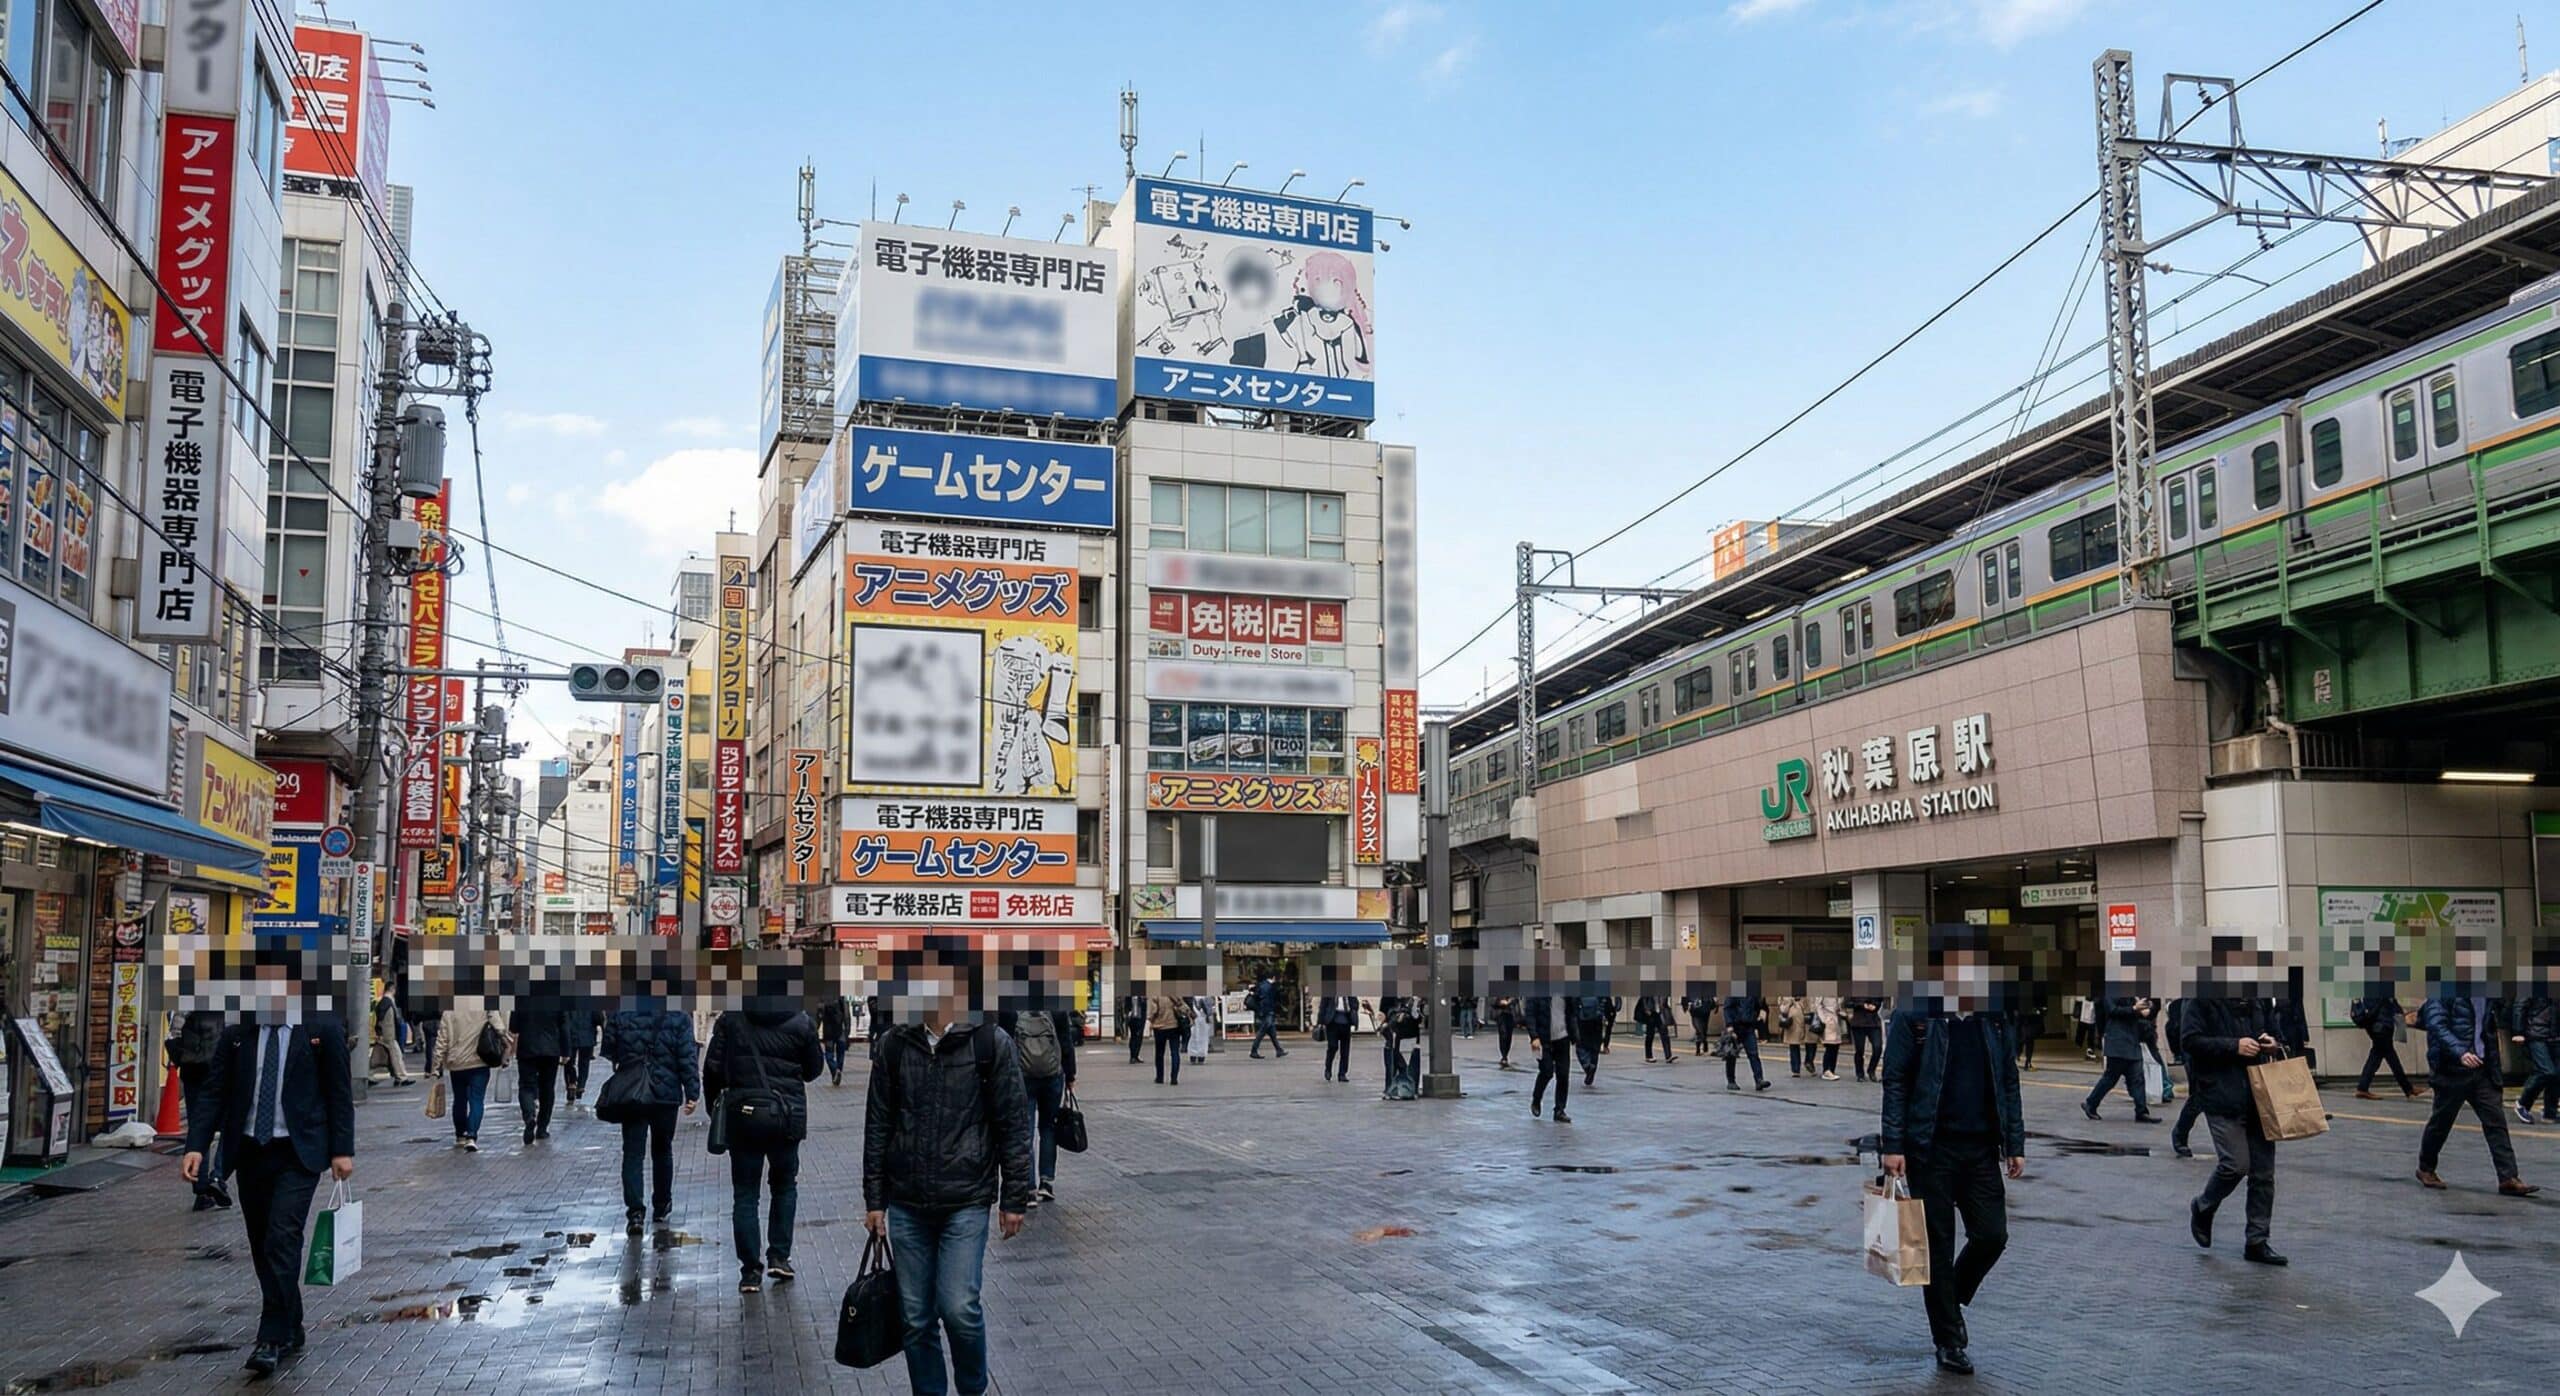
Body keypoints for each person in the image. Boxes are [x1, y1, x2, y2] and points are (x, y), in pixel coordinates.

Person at [863, 1003, 1033, 1396]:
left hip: (966, 1199)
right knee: (916, 1317)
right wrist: (875, 1199)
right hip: (907, 1200)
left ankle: (973, 1388)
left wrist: (1014, 1198)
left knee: (959, 1308)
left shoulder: (990, 1042)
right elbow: (878, 1125)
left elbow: (1013, 1124)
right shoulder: (894, 1044)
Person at [180, 1013, 355, 1377]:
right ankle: (291, 1320)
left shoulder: (321, 1029)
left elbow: (339, 1092)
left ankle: (270, 1337)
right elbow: (215, 1092)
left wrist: (342, 1150)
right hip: (250, 1152)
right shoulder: (238, 1035)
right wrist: (196, 1146)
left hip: (299, 1152)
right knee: (261, 1242)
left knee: (281, 1238)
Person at [1879, 992, 2025, 1377]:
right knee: (1938, 1246)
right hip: (1930, 1150)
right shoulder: (1915, 1015)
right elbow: (1895, 1080)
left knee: (1992, 1235)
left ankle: (1951, 1295)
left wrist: (2015, 1143)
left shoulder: (1993, 1016)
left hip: (1980, 1149)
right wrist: (1893, 1144)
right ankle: (1949, 1341)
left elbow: (2008, 1079)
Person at [705, 1004, 823, 1293]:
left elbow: (713, 1067)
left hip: (743, 1116)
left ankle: (749, 1271)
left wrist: (715, 1108)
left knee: (745, 1194)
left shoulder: (731, 1018)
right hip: (786, 1116)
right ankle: (779, 1256)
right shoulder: (801, 1020)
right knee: (784, 1185)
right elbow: (813, 1070)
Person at [2181, 993, 2287, 1264]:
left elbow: (2276, 1033)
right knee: (2235, 1164)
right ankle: (2203, 1206)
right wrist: (2233, 1046)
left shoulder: (2258, 999)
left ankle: (2257, 1240)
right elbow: (2190, 1041)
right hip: (2220, 1093)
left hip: (2259, 1096)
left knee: (2263, 1173)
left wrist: (2272, 1043)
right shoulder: (2200, 998)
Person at [2414, 992, 2540, 1196]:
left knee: (2496, 1122)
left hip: (2482, 1069)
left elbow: (2491, 1026)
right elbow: (2437, 1025)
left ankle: (2508, 1177)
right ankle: (2425, 1167)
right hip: (2452, 1069)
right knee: (2441, 1121)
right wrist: (2460, 1052)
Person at [601, 998, 702, 1232]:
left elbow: (609, 1047)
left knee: (633, 1152)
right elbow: (686, 1056)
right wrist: (692, 1091)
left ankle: (635, 1212)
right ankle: (662, 1204)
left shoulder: (622, 1010)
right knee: (662, 1149)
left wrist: (627, 1060)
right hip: (665, 1093)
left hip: (633, 1091)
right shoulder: (678, 1014)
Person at [996, 1002, 1076, 1204]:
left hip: (1022, 1077)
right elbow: (1066, 1041)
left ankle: (1028, 1188)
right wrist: (1071, 1074)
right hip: (1052, 1076)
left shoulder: (1009, 1009)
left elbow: (1002, 1043)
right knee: (1048, 1128)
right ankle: (1046, 1183)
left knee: (1025, 1131)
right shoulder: (1057, 1007)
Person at [169, 1008, 232, 1210]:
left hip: (194, 1067)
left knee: (199, 1124)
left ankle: (202, 1187)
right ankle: (218, 1176)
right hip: (222, 1068)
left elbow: (174, 1030)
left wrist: (181, 1056)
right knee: (231, 1125)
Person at [435, 1001, 512, 1151]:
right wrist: (506, 1043)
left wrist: (436, 1064)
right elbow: (499, 1026)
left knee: (459, 1099)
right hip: (479, 1061)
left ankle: (460, 1135)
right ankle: (471, 1135)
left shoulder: (449, 1009)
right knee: (476, 1099)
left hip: (456, 1063)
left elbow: (442, 1040)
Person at [2081, 996, 2159, 1122]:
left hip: (2132, 1040)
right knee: (2110, 1078)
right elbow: (2113, 1010)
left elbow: (2147, 1009)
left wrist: (2147, 1007)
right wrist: (2134, 1008)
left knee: (2138, 1078)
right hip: (2117, 1040)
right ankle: (2091, 1103)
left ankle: (2141, 1111)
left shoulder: (2134, 993)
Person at [510, 996, 568, 1145]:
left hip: (527, 1049)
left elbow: (513, 1027)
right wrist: (566, 1050)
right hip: (551, 1050)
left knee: (526, 1086)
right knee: (547, 1089)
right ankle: (542, 1127)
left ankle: (529, 1116)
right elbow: (563, 1024)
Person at [2351, 992, 2415, 1100]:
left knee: (2378, 1057)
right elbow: (2392, 1007)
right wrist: (2401, 1028)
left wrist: (2401, 1028)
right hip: (2381, 1027)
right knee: (2389, 1058)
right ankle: (2408, 1089)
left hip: (2379, 1027)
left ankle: (2363, 1088)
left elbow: (2393, 1006)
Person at [2508, 990, 2556, 1124]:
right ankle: (2522, 1103)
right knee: (2546, 1070)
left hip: (2553, 1033)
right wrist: (2518, 1031)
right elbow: (2520, 1005)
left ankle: (2550, 1113)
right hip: (2535, 1032)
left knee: (2557, 1073)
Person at [1526, 993, 1573, 1124]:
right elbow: (1529, 1014)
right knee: (1546, 1071)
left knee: (1563, 1074)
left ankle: (1559, 1110)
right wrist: (1534, 1036)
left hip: (1562, 1037)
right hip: (1542, 1039)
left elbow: (1572, 1012)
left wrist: (1575, 1034)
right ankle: (1536, 1099)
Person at [1723, 990, 1770, 1092]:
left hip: (1749, 1027)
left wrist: (1762, 1011)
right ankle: (1731, 1081)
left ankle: (1759, 1080)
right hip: (1736, 1026)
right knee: (1732, 1054)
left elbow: (1759, 1005)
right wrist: (1730, 1026)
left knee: (1753, 1054)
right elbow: (1727, 1008)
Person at [368, 988, 412, 1085]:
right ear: (393, 990)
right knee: (396, 1055)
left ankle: (368, 1075)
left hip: (385, 1035)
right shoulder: (387, 1002)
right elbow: (388, 1021)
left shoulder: (382, 1002)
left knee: (377, 1058)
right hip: (389, 1036)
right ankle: (401, 1078)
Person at [562, 1003, 599, 1111]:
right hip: (587, 1035)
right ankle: (581, 1085)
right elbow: (597, 1017)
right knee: (584, 1062)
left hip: (570, 1035)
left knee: (569, 1061)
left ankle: (572, 1083)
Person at [1147, 990, 1188, 1085]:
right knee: (1175, 1053)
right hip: (1174, 1026)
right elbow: (1182, 1006)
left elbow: (1153, 1011)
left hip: (1159, 1027)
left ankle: (1159, 1077)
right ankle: (1174, 1078)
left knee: (1159, 1054)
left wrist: (1151, 1020)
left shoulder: (1155, 994)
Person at [1318, 992, 1358, 1082]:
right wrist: (1320, 1022)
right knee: (1332, 1046)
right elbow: (1323, 1006)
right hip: (1332, 1022)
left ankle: (1342, 1073)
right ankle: (1328, 1068)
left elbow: (1355, 1004)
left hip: (1346, 1021)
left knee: (1345, 1050)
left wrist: (1354, 1016)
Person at [1247, 974, 1287, 1059]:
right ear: (1274, 977)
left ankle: (1279, 1050)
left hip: (1263, 1012)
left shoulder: (1261, 985)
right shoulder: (1270, 987)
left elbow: (1257, 996)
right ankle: (1253, 1051)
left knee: (1272, 1033)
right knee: (1261, 1033)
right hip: (1268, 1012)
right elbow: (1270, 1000)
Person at [1847, 996, 1885, 1082]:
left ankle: (1871, 1070)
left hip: (1874, 1023)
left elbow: (1880, 1000)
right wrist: (1862, 1005)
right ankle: (1860, 1073)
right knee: (1860, 1050)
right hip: (1858, 1023)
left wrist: (1875, 1005)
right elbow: (1847, 1003)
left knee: (1878, 1047)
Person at [1574, 992, 1608, 1085]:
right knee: (1595, 1046)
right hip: (1597, 1019)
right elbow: (1605, 1000)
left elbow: (1573, 1003)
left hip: (1582, 1020)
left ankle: (1587, 1066)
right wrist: (1602, 1013)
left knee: (1580, 1045)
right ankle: (1592, 1066)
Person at [1779, 995, 1817, 1078]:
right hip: (1794, 1017)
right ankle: (1795, 1069)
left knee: (1811, 1041)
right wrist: (1789, 1004)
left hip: (1808, 1014)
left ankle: (1809, 1061)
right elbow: (1782, 1004)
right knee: (1794, 1043)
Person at [819, 995, 854, 1086]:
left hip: (828, 1032)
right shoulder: (841, 998)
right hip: (840, 1031)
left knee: (829, 1055)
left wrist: (815, 1029)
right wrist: (847, 1031)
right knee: (841, 1054)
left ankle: (834, 1071)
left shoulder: (823, 999)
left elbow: (819, 1015)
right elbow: (847, 1016)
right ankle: (838, 1071)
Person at [1635, 995, 1678, 1063]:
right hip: (1651, 1014)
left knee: (1665, 1034)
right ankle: (1649, 1056)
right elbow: (1644, 1000)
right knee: (1650, 1035)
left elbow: (1665, 1002)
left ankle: (1668, 1056)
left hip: (1661, 1014)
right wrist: (1647, 1010)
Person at [1812, 994, 1845, 1080]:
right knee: (1830, 1046)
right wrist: (1823, 1019)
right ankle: (1826, 1070)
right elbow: (1817, 1004)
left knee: (1836, 1046)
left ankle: (1832, 1070)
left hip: (1836, 1019)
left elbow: (1840, 1004)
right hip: (1828, 1019)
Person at [1493, 994, 1520, 1068]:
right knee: (1503, 1034)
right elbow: (1492, 1002)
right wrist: (1500, 1002)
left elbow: (1517, 1002)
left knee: (1509, 1036)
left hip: (1510, 1015)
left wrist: (1510, 1001)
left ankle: (1506, 1055)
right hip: (1501, 1014)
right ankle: (1504, 1056)